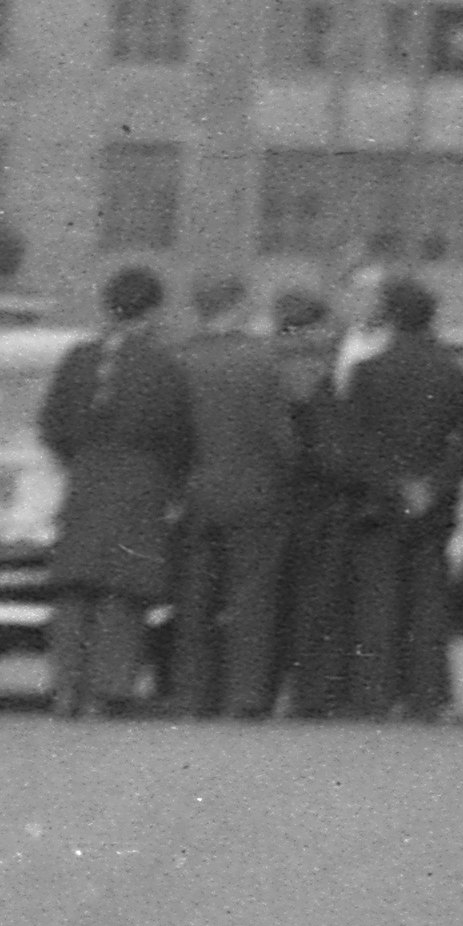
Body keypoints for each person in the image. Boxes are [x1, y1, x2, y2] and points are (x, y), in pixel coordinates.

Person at [36, 263, 194, 717]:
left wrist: (78, 459)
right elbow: (179, 433)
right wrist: (171, 483)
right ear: (154, 311)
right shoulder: (164, 365)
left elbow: (51, 425)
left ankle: (66, 685)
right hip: (141, 481)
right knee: (122, 590)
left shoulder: (78, 358)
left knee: (75, 587)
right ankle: (110, 687)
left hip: (85, 477)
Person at [327, 274, 463, 719]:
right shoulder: (454, 375)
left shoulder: (366, 373)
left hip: (379, 501)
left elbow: (352, 445)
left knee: (377, 594)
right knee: (428, 596)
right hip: (433, 499)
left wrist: (391, 484)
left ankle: (375, 692)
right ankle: (428, 693)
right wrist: (432, 485)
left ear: (389, 317)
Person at [167, 272, 297, 718]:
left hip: (196, 490)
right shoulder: (262, 361)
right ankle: (245, 694)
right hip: (256, 491)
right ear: (237, 306)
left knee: (195, 596)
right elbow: (281, 435)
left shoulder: (179, 359)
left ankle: (192, 693)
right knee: (252, 597)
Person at [266, 288, 352, 715]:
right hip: (317, 501)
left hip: (273, 497)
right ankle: (311, 693)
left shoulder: (265, 363)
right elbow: (329, 451)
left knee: (274, 598)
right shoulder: (317, 373)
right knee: (315, 600)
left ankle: (271, 687)